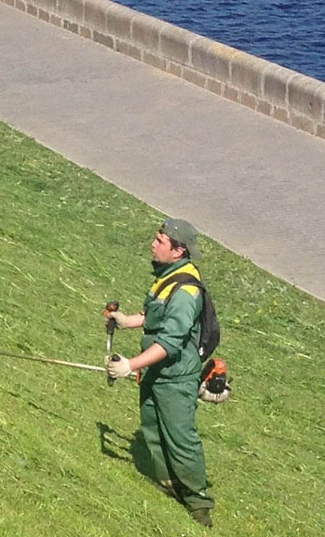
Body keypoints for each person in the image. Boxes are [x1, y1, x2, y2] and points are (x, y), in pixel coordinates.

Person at [105, 217, 214, 527]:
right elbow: (155, 316)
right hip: (156, 371)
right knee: (152, 425)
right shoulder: (169, 276)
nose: (152, 244)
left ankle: (198, 501)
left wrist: (129, 365)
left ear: (177, 250)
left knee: (180, 437)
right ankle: (167, 483)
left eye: (159, 241)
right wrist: (127, 321)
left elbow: (169, 343)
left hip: (176, 377)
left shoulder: (185, 293)